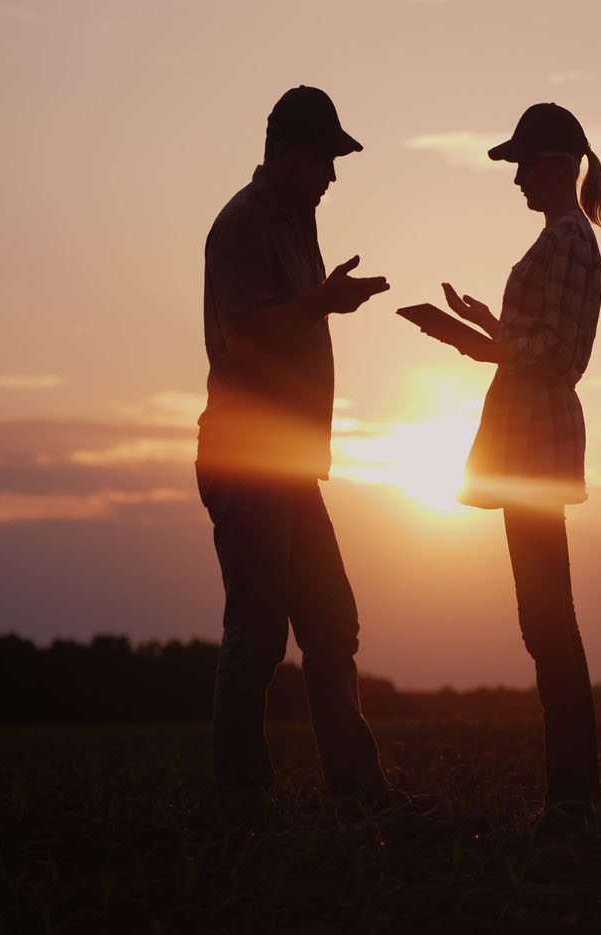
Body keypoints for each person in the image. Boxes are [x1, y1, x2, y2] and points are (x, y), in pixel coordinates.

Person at [402, 102, 601, 841]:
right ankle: (573, 794)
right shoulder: (564, 240)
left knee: (548, 622)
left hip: (534, 448)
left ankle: (572, 800)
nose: (515, 177)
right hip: (532, 445)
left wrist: (471, 340)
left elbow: (554, 353)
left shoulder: (566, 243)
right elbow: (541, 339)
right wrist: (488, 325)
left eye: (523, 163)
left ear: (557, 164)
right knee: (548, 620)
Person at [196, 86, 393, 826]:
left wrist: (322, 298)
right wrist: (323, 301)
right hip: (248, 458)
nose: (333, 176)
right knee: (257, 632)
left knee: (332, 622)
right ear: (288, 154)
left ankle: (359, 791)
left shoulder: (295, 221)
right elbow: (242, 339)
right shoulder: (244, 226)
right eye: (325, 158)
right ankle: (242, 806)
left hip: (289, 464)